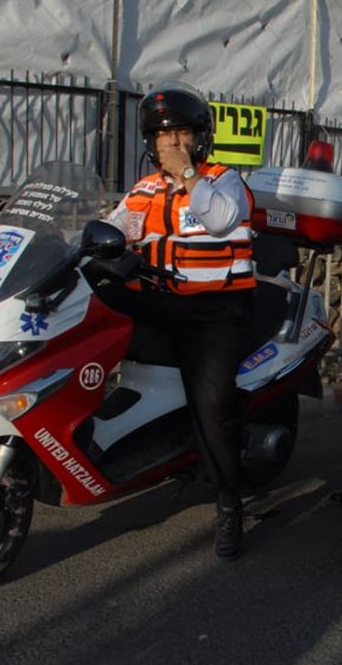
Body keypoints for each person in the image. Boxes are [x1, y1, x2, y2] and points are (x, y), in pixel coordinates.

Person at [101, 82, 259, 561]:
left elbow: (223, 220)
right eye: (163, 135)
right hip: (156, 299)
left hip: (213, 312)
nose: (172, 142)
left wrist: (189, 175)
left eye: (182, 133)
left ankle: (229, 502)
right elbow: (112, 228)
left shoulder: (222, 179)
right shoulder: (143, 189)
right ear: (150, 142)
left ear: (199, 139)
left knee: (212, 401)